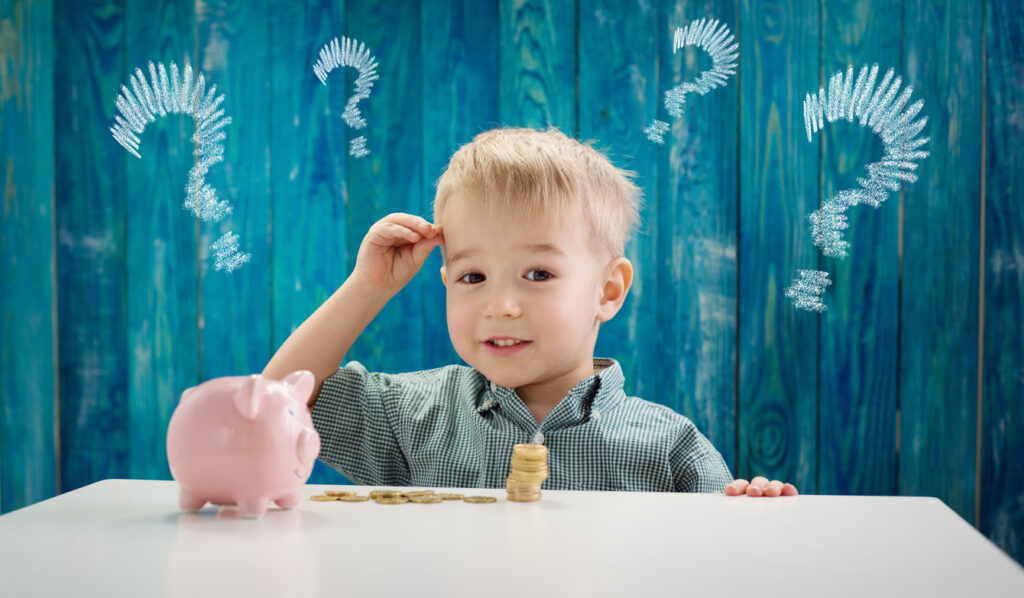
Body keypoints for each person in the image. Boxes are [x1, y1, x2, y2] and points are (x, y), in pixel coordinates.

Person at [263, 127, 796, 498]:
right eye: (473, 277)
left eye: (538, 275)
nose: (501, 305)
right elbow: (276, 403)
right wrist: (368, 288)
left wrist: (750, 511)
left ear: (607, 291)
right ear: (446, 281)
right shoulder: (414, 413)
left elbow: (722, 558)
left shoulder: (670, 446)